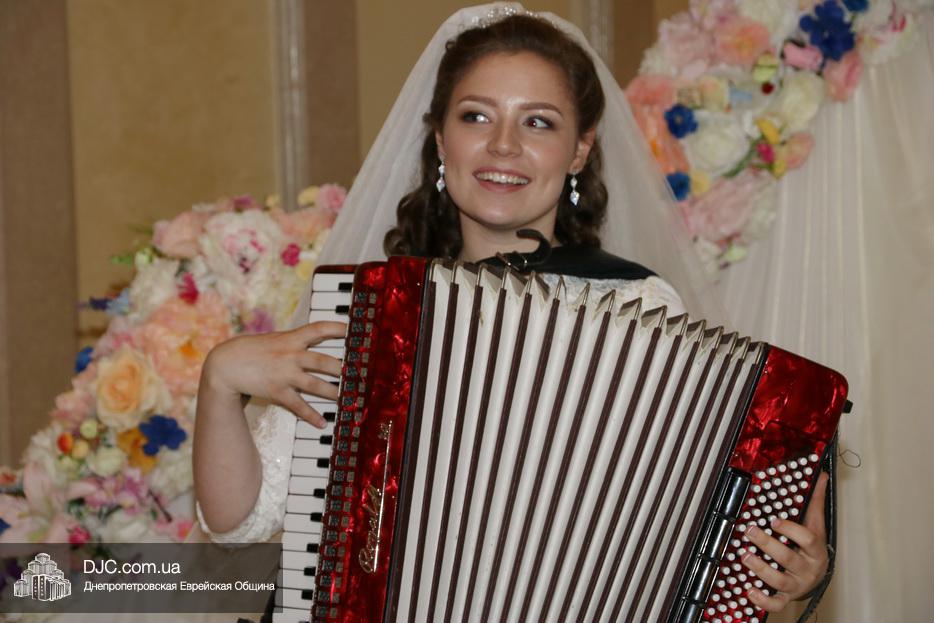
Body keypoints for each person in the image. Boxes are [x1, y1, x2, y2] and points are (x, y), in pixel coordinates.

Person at [193, 3, 829, 616]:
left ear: (579, 150)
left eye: (538, 122)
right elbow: (239, 519)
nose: (503, 145)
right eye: (476, 116)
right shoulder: (372, 318)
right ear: (441, 138)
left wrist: (790, 567)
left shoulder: (636, 307)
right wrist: (219, 381)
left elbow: (694, 519)